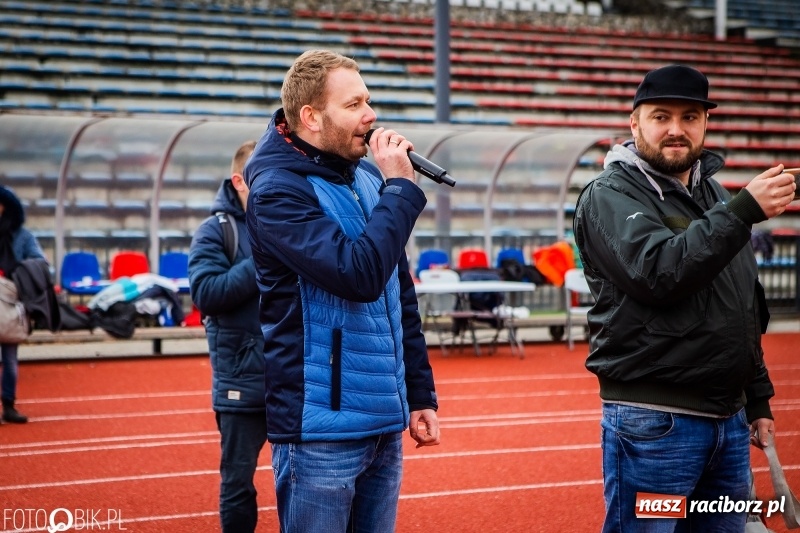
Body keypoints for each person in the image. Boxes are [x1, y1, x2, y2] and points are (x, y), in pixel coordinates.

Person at [573, 64, 797, 532]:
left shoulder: (711, 192)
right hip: (656, 426)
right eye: (661, 116)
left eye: (690, 117)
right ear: (635, 123)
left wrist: (756, 397)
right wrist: (743, 211)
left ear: (706, 123)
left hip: (729, 422)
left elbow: (741, 301)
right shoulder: (608, 194)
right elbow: (658, 273)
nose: (676, 129)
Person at [243, 49, 440, 533]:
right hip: (321, 430)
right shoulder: (277, 191)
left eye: (367, 101)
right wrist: (401, 189)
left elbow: (399, 292)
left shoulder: (368, 178)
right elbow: (358, 277)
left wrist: (420, 393)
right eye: (353, 105)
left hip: (383, 419)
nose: (370, 115)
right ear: (311, 117)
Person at [187, 141, 267, 533]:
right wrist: (263, 257)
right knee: (238, 483)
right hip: (242, 380)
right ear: (239, 181)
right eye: (262, 174)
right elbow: (206, 293)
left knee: (307, 479)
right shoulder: (216, 230)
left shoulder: (296, 221)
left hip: (296, 376)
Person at [0, 185, 46, 424]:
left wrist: (16, 273)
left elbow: (40, 262)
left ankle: (9, 404)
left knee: (10, 358)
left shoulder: (23, 236)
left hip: (10, 301)